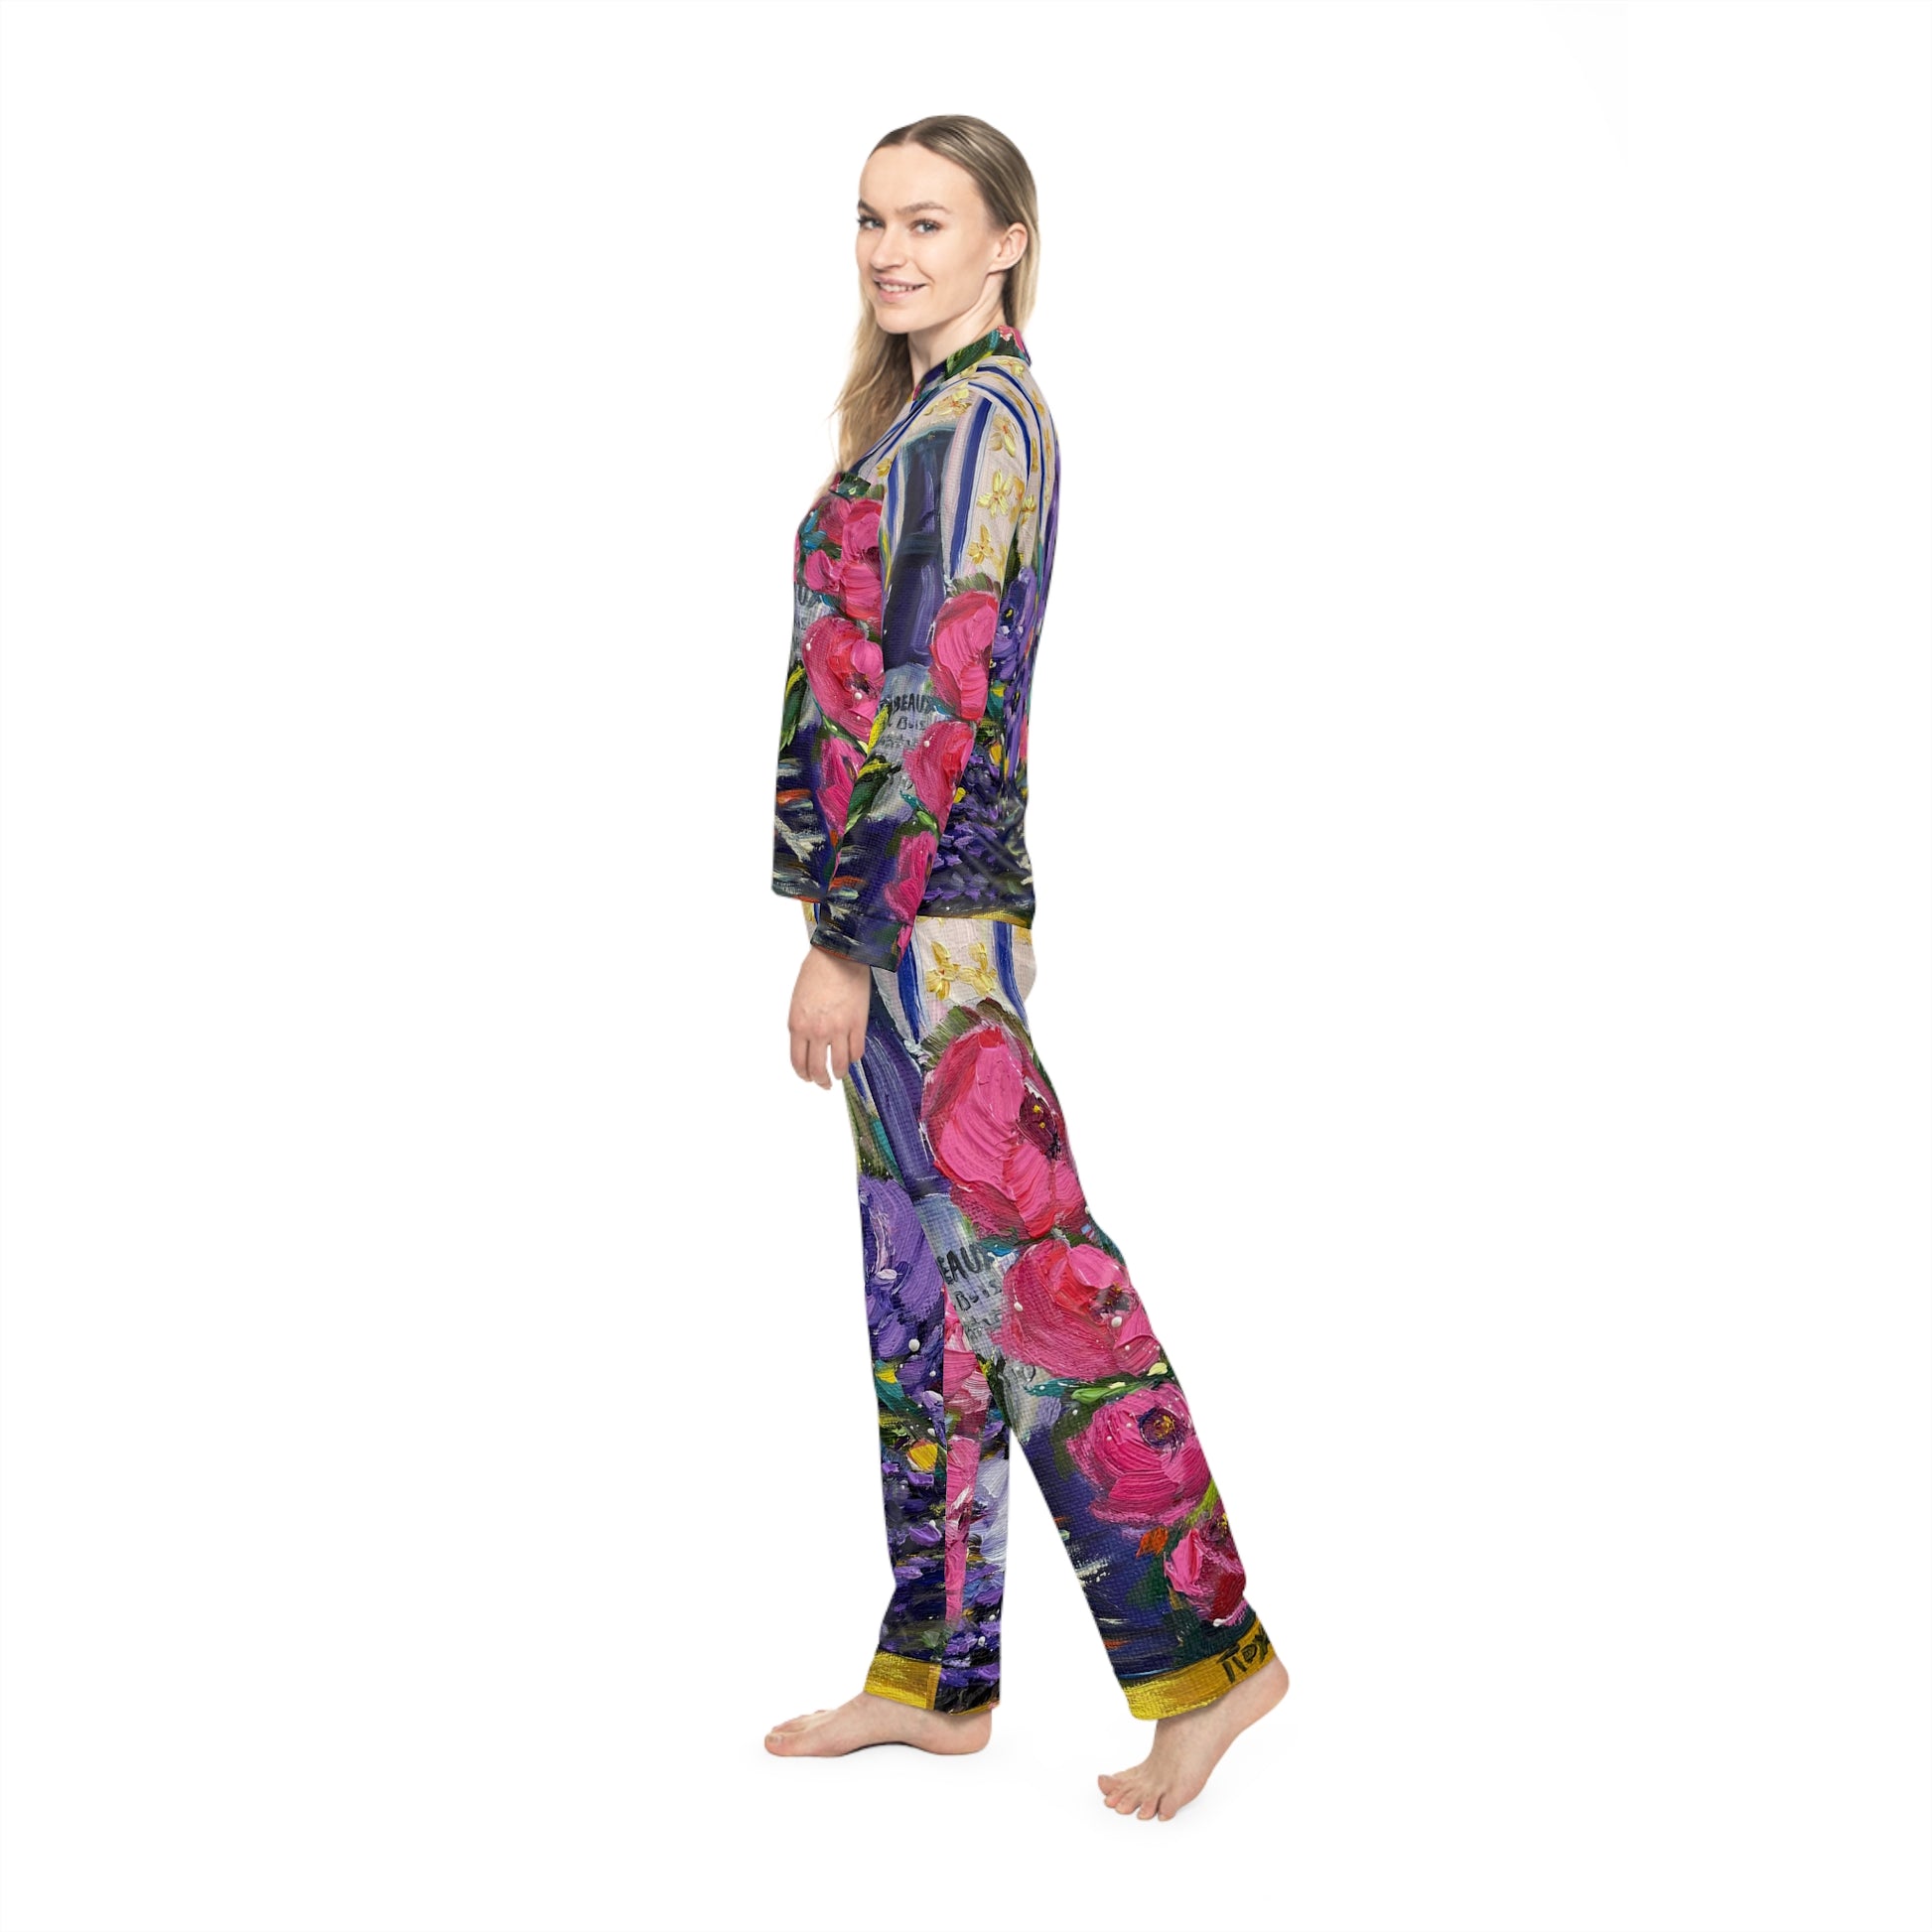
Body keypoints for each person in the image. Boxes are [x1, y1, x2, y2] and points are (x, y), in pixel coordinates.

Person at [764, 114, 1289, 1822]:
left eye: (927, 221)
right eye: (870, 220)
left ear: (1005, 240)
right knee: (930, 1306)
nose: (887, 250)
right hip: (908, 920)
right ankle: (936, 1675)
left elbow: (934, 687)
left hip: (922, 929)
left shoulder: (981, 421)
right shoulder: (919, 419)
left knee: (1042, 1296)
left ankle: (1211, 1657)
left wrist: (845, 938)